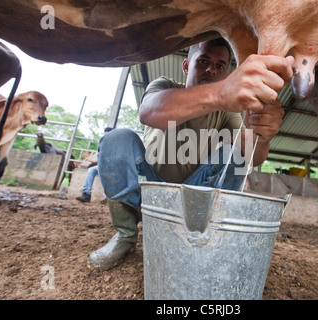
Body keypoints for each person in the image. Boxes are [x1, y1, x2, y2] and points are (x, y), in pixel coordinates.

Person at [88, 38, 294, 270]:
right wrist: (220, 94)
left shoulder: (225, 112)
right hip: (147, 192)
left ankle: (201, 239)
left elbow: (252, 156)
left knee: (233, 155)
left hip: (191, 204)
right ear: (186, 66)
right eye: (203, 61)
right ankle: (125, 235)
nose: (211, 70)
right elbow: (149, 112)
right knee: (116, 139)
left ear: (226, 72)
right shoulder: (165, 86)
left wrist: (262, 133)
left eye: (220, 66)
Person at [75, 127, 113, 203]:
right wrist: (93, 162)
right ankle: (86, 194)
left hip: (112, 168)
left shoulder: (116, 145)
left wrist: (102, 166)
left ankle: (108, 196)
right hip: (102, 167)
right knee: (91, 170)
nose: (105, 137)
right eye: (104, 135)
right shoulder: (103, 145)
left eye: (107, 135)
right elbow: (101, 160)